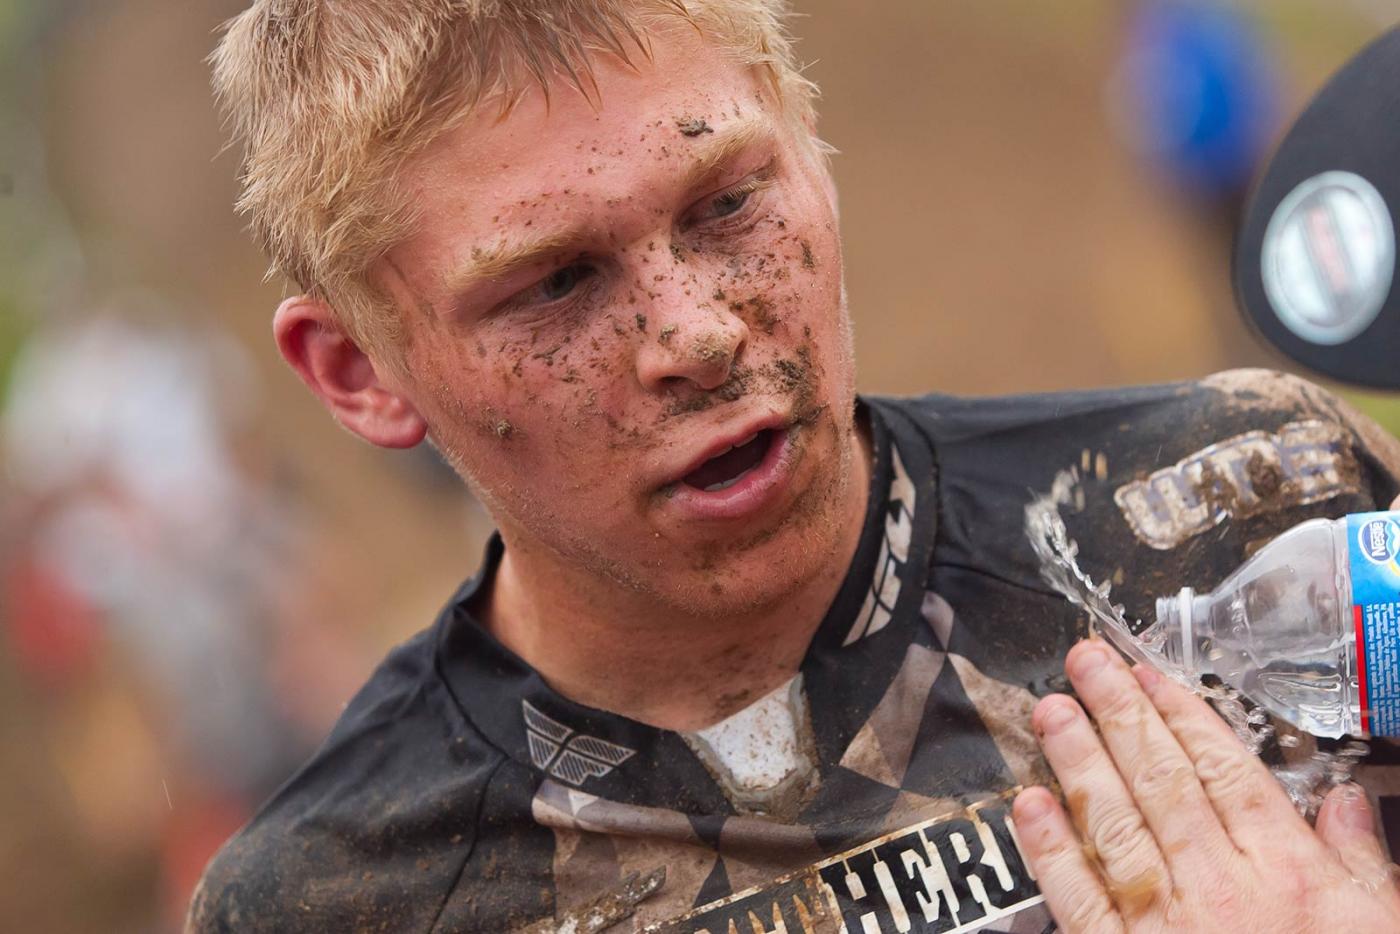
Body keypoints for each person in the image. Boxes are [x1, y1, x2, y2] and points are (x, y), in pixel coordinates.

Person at [189, 1, 1400, 930]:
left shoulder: (1273, 513)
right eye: (555, 282)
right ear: (358, 370)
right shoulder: (337, 898)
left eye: (725, 204)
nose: (697, 333)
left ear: (810, 144)